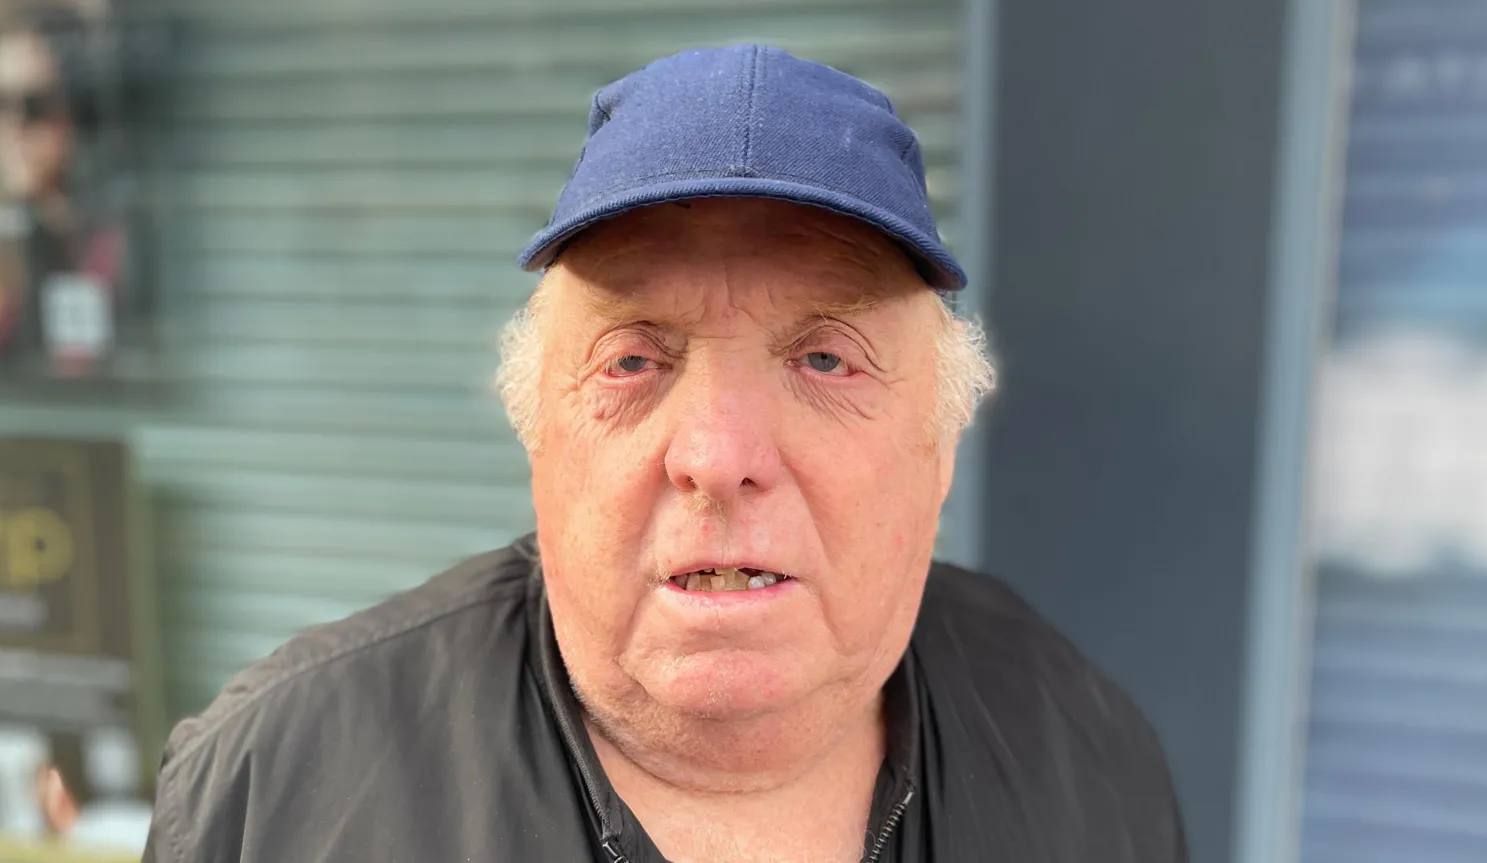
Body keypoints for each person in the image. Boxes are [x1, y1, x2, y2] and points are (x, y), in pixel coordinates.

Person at [141, 45, 1187, 862]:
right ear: (538, 428)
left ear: (940, 442)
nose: (719, 455)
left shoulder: (1081, 741)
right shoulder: (276, 787)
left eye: (825, 358)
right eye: (635, 358)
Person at [0, 0, 128, 377]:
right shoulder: (4, 241)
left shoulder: (115, 247)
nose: (10, 127)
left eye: (32, 106)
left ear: (78, 110)